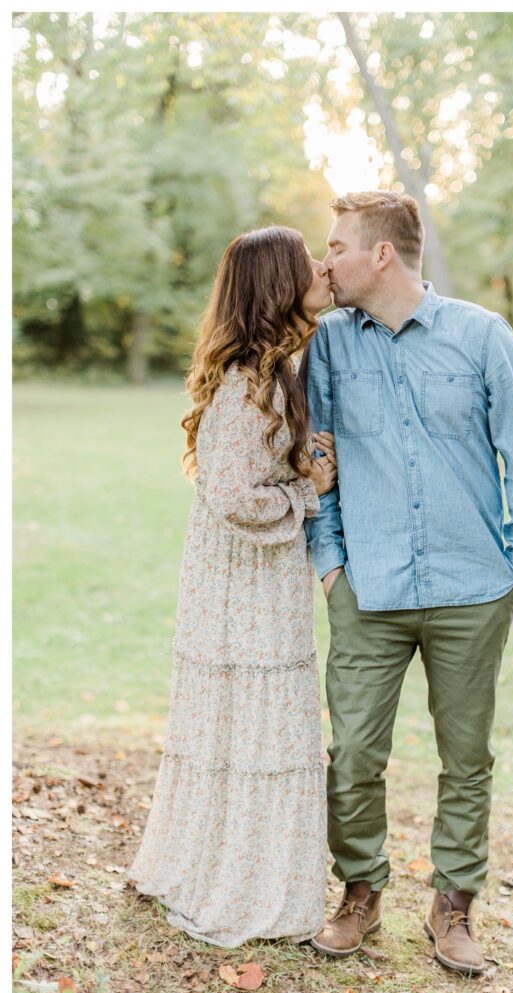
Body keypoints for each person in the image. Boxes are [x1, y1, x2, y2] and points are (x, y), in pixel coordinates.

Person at [300, 190, 513, 974]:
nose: (325, 260)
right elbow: (318, 467)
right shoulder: (329, 346)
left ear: (381, 254)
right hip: (367, 589)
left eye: (337, 245)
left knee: (465, 757)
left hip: (472, 590)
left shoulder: (483, 337)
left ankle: (453, 907)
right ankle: (360, 892)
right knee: (353, 754)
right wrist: (332, 564)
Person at [127, 226, 337, 947]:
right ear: (279, 283)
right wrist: (306, 494)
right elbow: (228, 492)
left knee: (250, 725)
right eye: (308, 259)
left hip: (254, 576)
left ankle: (240, 865)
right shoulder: (251, 381)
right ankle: (240, 882)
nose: (322, 265)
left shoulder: (275, 371)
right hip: (243, 584)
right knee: (257, 725)